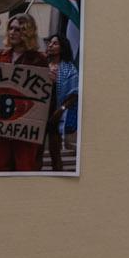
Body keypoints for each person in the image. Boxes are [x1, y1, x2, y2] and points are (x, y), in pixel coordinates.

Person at [0, 13, 48, 174]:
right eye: (11, 28)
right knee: (3, 168)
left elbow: (45, 99)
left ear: (28, 33)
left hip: (26, 129)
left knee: (25, 169)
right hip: (2, 126)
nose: (12, 32)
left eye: (19, 29)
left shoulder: (39, 60)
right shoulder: (1, 57)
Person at [45, 32, 79, 172]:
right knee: (35, 154)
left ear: (62, 48)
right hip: (38, 114)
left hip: (55, 115)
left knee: (55, 152)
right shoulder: (40, 63)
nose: (51, 45)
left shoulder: (69, 69)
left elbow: (74, 94)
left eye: (55, 43)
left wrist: (61, 109)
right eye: (50, 43)